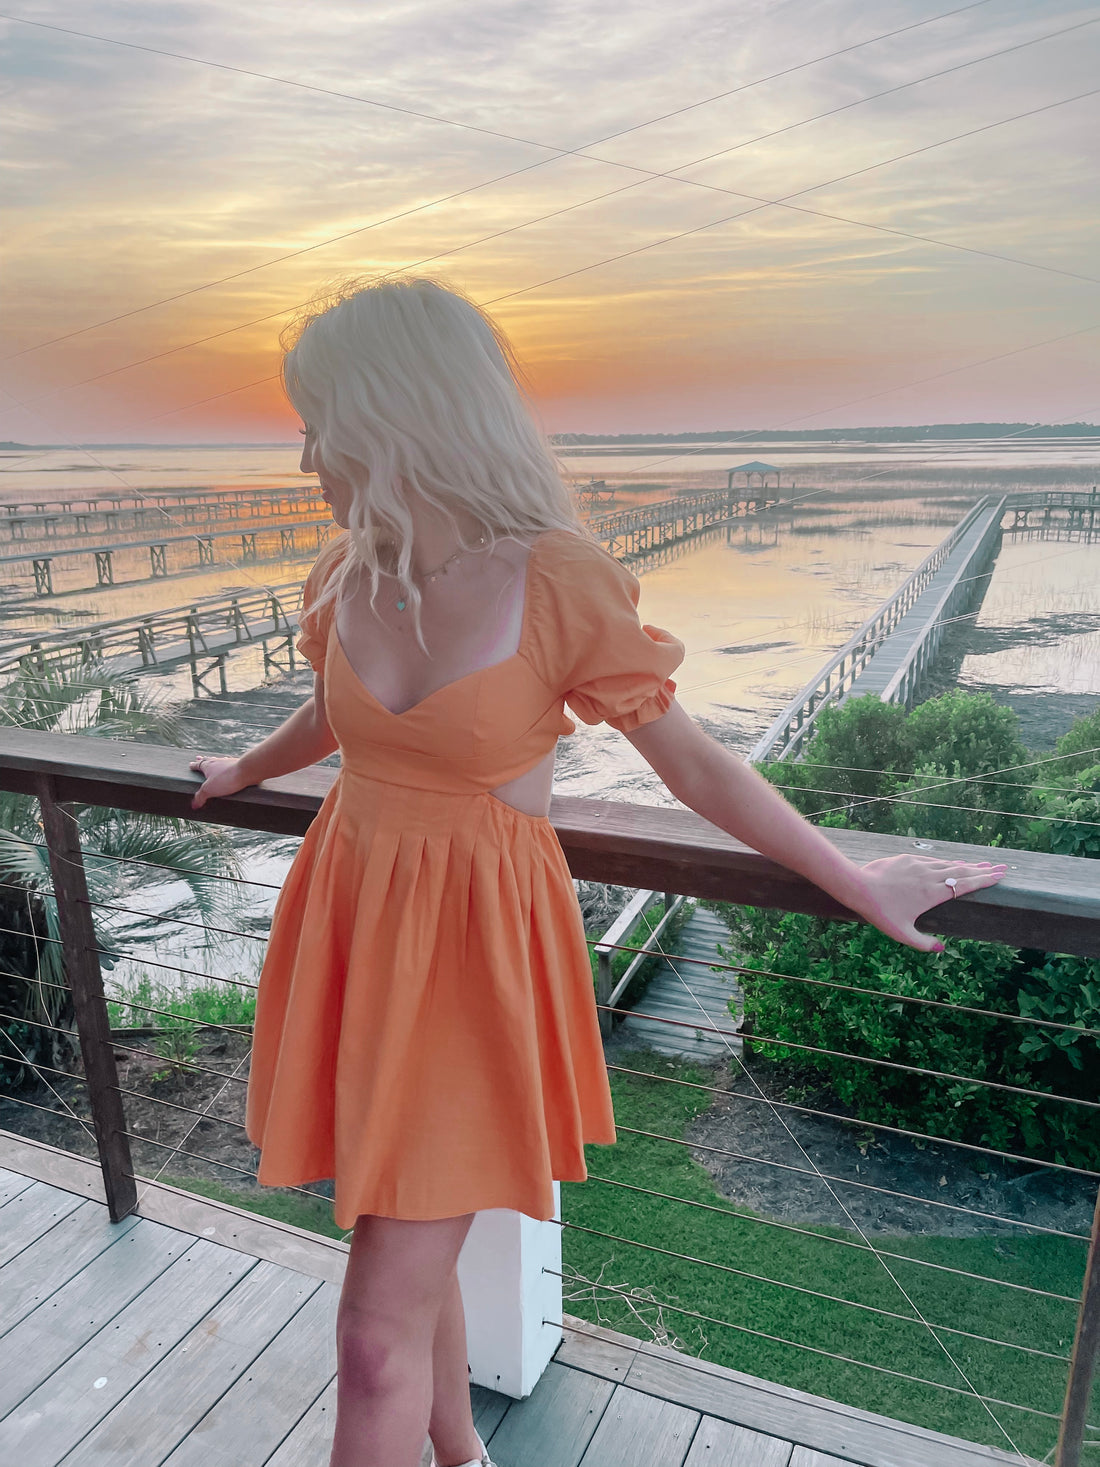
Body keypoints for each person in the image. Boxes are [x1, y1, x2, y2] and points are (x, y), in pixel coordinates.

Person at [188, 276, 1006, 1467]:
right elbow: (328, 719)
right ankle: (462, 1454)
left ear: (399, 416)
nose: (306, 450)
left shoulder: (557, 576)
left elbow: (694, 765)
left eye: (322, 419)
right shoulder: (348, 572)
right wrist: (239, 771)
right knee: (392, 1227)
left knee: (371, 1331)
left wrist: (851, 876)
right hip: (356, 916)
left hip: (473, 947)